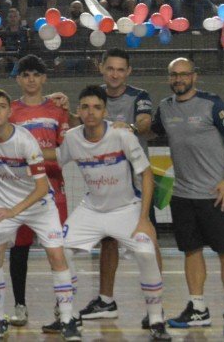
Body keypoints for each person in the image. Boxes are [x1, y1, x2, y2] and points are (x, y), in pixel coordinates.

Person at [60, 85, 171, 342]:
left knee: (146, 250)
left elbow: (146, 174)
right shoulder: (72, 138)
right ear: (78, 111)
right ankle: (68, 318)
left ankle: (156, 319)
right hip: (91, 210)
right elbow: (53, 161)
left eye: (97, 107)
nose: (91, 112)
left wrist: (143, 219)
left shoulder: (122, 136)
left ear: (105, 111)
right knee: (60, 249)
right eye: (85, 107)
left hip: (126, 210)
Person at [0, 89, 75, 339]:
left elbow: (40, 188)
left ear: (9, 111)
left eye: (2, 106)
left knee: (58, 257)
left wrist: (12, 211)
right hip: (7, 208)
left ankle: (68, 319)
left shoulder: (25, 141)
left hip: (39, 206)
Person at [151, 58, 224, 337]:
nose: (179, 79)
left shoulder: (213, 103)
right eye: (174, 75)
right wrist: (126, 127)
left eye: (184, 74)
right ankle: (198, 308)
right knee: (191, 251)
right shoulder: (165, 108)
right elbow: (149, 129)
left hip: (215, 195)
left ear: (195, 76)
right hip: (182, 194)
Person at [80, 48, 161, 329]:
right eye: (110, 68)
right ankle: (106, 299)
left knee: (147, 239)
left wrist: (124, 125)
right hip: (105, 182)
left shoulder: (139, 96)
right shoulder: (94, 96)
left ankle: (156, 307)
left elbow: (144, 123)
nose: (114, 74)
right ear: (102, 68)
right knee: (107, 240)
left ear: (128, 72)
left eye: (120, 69)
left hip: (136, 182)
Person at [7, 55, 72, 331]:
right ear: (19, 79)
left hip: (54, 192)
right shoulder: (8, 110)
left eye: (36, 74)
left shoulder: (58, 110)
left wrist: (33, 156)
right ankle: (19, 305)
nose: (31, 79)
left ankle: (63, 308)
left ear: (44, 78)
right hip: (20, 193)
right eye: (26, 74)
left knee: (56, 250)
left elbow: (64, 153)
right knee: (18, 249)